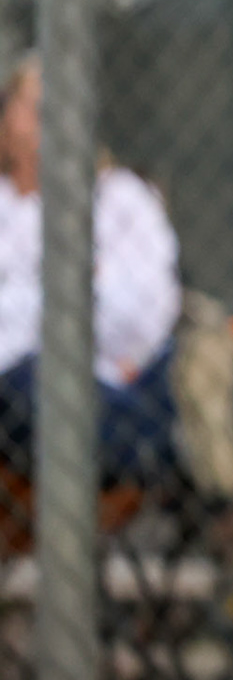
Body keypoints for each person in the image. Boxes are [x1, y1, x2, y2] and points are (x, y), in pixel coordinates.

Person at [0, 54, 183, 483]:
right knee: (29, 380)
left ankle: (170, 446)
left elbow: (146, 313)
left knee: (178, 368)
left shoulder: (123, 197)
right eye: (36, 107)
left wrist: (33, 301)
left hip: (124, 381)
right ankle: (171, 451)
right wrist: (77, 291)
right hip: (22, 395)